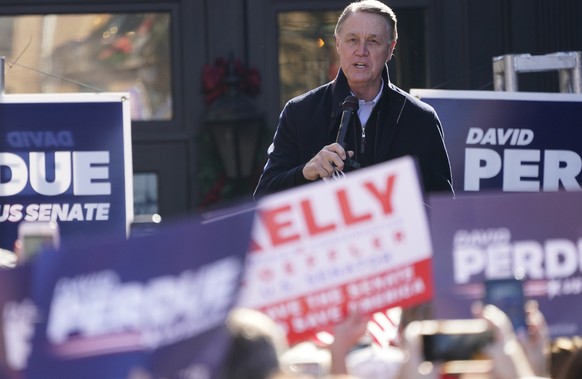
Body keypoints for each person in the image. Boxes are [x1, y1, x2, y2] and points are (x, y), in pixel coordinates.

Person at [254, 0, 453, 198]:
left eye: (373, 41)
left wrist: (397, 198)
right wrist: (306, 172)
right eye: (353, 40)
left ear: (391, 49)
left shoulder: (421, 118)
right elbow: (264, 195)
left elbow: (444, 207)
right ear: (338, 43)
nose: (361, 51)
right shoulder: (299, 112)